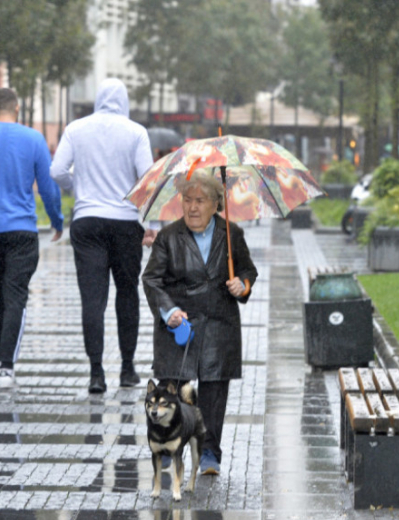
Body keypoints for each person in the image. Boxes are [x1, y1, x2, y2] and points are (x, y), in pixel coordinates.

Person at [141, 169, 258, 476]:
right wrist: (169, 312)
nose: (192, 207)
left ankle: (209, 452)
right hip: (179, 326)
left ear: (216, 204)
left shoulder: (232, 235)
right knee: (173, 389)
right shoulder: (168, 236)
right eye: (187, 200)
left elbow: (248, 271)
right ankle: (167, 443)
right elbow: (152, 279)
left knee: (214, 393)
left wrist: (241, 285)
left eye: (200, 200)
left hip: (219, 324)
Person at [50, 78, 153, 394]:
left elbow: (57, 171)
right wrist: (149, 220)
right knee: (127, 293)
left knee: (92, 299)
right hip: (124, 224)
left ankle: (96, 372)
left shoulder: (76, 129)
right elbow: (148, 180)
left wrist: (77, 188)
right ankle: (127, 368)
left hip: (88, 222)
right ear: (124, 101)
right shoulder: (136, 132)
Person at [0, 88, 63, 388]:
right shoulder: (34, 139)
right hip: (21, 232)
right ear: (17, 108)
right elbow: (47, 187)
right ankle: (7, 367)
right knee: (15, 296)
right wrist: (57, 220)